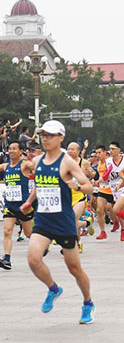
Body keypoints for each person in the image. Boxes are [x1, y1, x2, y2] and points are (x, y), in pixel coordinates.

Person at [19, 120, 95, 324]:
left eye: (50, 135)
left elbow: (89, 187)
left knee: (74, 268)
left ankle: (88, 303)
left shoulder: (67, 162)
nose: (45, 138)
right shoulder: (38, 161)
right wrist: (28, 202)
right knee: (33, 259)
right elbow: (40, 186)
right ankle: (53, 288)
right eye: (43, 135)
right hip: (43, 219)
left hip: (64, 221)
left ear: (61, 137)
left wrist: (75, 186)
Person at [0, 141, 34, 270]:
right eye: (10, 149)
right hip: (10, 205)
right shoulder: (5, 167)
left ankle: (43, 246)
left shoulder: (24, 165)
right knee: (7, 231)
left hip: (23, 206)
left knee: (29, 233)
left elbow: (36, 165)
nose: (11, 151)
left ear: (21, 152)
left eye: (14, 149)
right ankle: (7, 259)